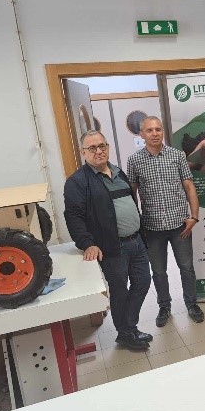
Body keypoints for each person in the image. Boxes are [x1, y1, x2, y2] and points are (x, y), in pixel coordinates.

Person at [64, 130, 152, 351]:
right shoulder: (77, 182)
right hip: (113, 247)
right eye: (92, 148)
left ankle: (128, 327)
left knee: (143, 282)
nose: (98, 151)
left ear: (108, 147)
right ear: (83, 152)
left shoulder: (119, 172)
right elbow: (73, 216)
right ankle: (126, 332)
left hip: (136, 241)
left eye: (102, 146)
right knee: (120, 290)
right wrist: (88, 243)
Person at [127, 116, 205, 327]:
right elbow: (132, 194)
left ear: (163, 132)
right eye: (149, 130)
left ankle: (192, 304)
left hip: (180, 225)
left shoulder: (177, 155)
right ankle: (164, 306)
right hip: (151, 228)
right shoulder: (134, 161)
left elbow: (189, 186)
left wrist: (194, 216)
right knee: (159, 271)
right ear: (142, 134)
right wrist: (135, 224)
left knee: (186, 267)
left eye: (158, 129)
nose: (155, 133)